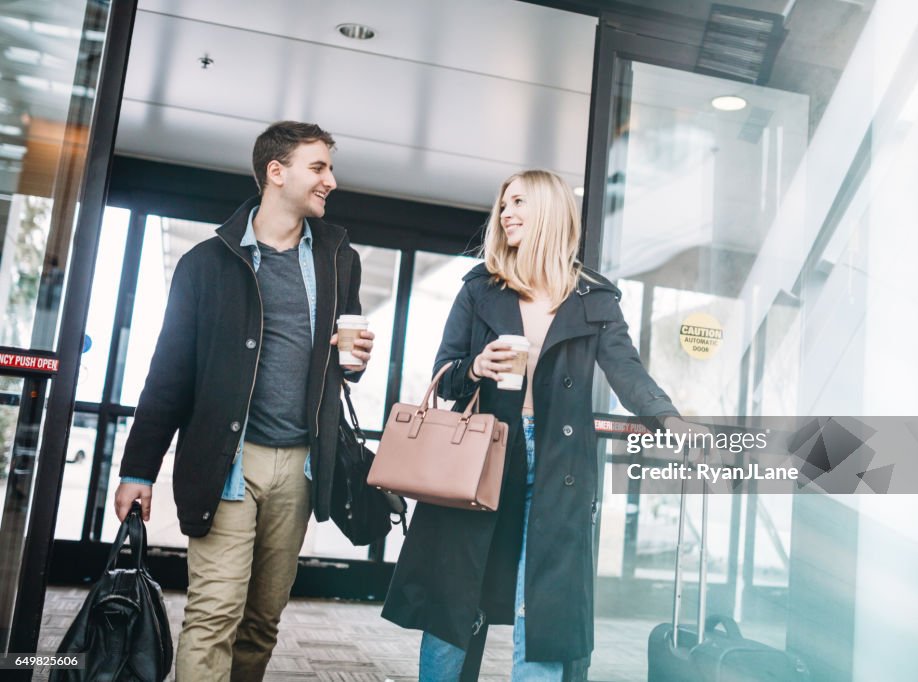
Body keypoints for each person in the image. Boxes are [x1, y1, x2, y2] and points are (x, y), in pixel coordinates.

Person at [381, 169, 680, 680]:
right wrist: (475, 366)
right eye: (502, 204)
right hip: (481, 453)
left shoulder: (594, 298)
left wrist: (665, 416)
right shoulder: (479, 288)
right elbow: (444, 372)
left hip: (559, 463)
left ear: (548, 210)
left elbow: (625, 368)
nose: (505, 212)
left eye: (518, 201)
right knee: (454, 599)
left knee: (541, 605)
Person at [112, 121, 374, 681]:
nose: (331, 179)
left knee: (262, 621)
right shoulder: (205, 265)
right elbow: (169, 375)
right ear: (276, 173)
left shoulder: (337, 259)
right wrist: (139, 468)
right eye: (319, 167)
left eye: (330, 167)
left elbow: (340, 365)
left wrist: (352, 363)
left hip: (301, 465)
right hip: (229, 462)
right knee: (214, 615)